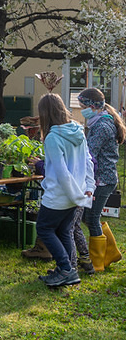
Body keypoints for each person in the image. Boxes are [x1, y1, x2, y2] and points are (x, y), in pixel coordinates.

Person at [35, 93, 95, 288]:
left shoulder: (53, 137)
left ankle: (66, 268)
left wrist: (76, 195)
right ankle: (69, 269)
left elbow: (61, 173)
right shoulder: (78, 130)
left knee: (44, 228)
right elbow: (88, 162)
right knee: (63, 231)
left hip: (60, 195)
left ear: (45, 114)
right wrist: (86, 189)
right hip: (75, 193)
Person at [78, 88, 124, 271]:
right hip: (103, 178)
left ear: (92, 106)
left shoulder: (102, 126)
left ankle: (97, 262)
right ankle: (111, 252)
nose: (82, 110)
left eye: (82, 106)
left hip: (103, 180)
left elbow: (89, 154)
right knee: (89, 217)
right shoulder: (100, 121)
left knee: (92, 217)